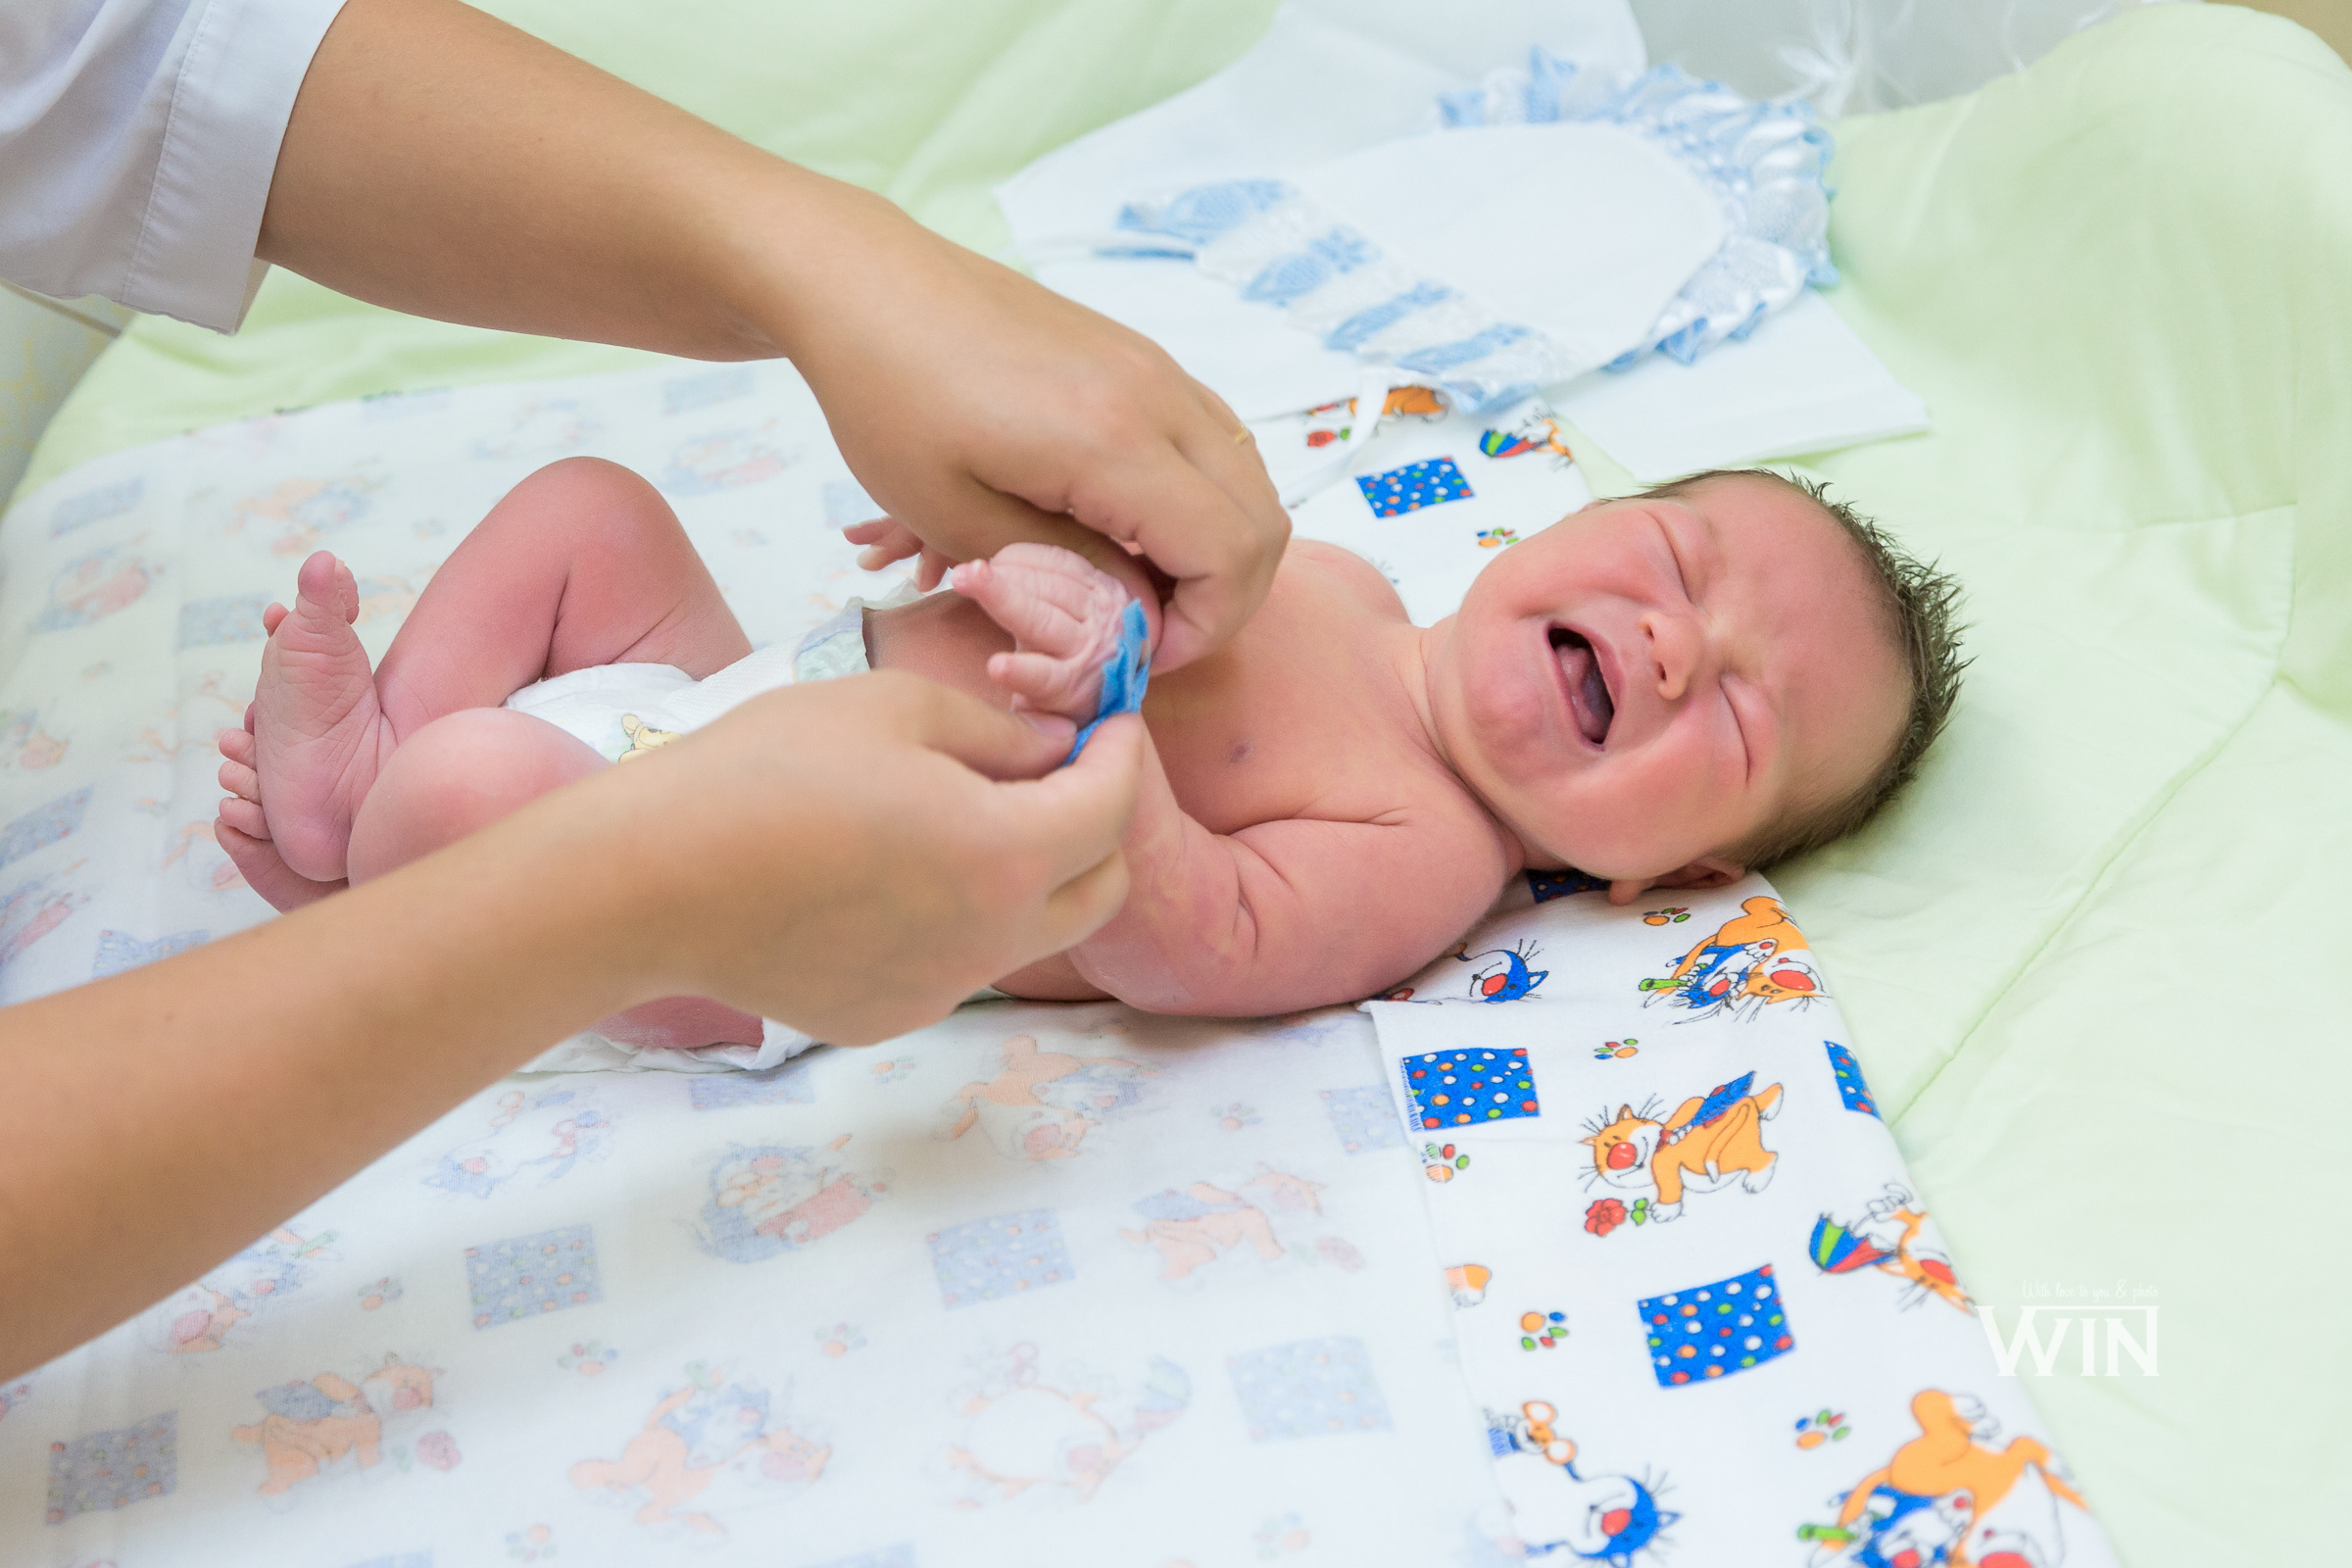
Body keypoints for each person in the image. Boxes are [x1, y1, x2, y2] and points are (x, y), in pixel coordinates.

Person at [0, 0, 1289, 1381]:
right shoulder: (1371, 598)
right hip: (737, 773)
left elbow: (1222, 948)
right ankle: (379, 807)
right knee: (588, 515)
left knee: (500, 723)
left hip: (773, 842)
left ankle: (391, 799)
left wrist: (833, 267)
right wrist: (1005, 578)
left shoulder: (1439, 838)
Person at [220, 459, 1967, 1037]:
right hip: (751, 685)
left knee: (485, 794)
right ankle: (366, 768)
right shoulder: (1334, 573)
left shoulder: (1428, 850)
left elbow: (1180, 938)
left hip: (769, 918)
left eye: (1736, 712)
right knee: (587, 514)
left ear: (1681, 871)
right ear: (1575, 522)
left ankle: (377, 827)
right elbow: (1085, 565)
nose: (1675, 645)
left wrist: (1106, 711)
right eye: (1673, 570)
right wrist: (993, 538)